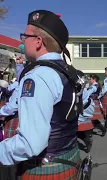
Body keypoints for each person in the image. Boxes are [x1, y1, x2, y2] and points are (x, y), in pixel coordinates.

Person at [0, 10, 82, 179]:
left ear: (38, 41)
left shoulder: (38, 76)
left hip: (44, 167)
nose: (22, 41)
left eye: (25, 36)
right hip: (68, 158)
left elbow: (30, 144)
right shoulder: (67, 72)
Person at [77, 70, 96, 153]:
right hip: (88, 105)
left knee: (69, 128)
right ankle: (87, 138)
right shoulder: (80, 82)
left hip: (84, 107)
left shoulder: (75, 83)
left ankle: (86, 138)